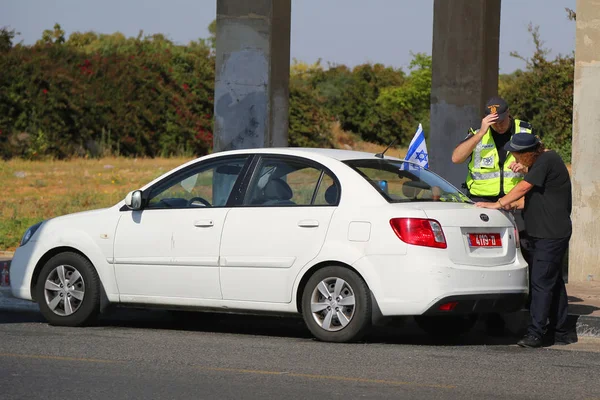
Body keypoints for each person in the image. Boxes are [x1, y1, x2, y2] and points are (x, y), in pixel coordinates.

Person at [476, 133, 573, 348]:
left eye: (517, 155)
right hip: (543, 233)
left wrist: (498, 203)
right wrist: (511, 204)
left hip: (551, 234)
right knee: (552, 282)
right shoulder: (542, 163)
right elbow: (532, 199)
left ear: (530, 153)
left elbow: (523, 188)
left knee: (540, 283)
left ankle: (536, 333)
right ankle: (562, 332)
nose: (514, 159)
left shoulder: (548, 160)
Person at [452, 96, 534, 335]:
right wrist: (480, 132)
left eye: (501, 119)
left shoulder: (525, 130)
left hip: (515, 203)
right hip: (482, 206)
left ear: (510, 114)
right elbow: (456, 158)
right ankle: (491, 316)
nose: (498, 125)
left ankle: (525, 309)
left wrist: (527, 169)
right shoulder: (478, 133)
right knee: (485, 259)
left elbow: (542, 164)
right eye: (493, 120)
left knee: (525, 254)